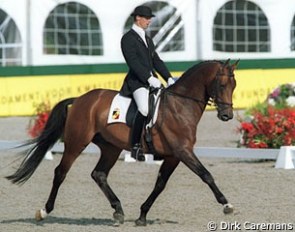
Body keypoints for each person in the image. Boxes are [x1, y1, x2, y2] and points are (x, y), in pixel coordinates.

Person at [120, 5, 175, 161]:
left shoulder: (147, 39)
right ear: (138, 18)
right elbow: (133, 62)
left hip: (153, 82)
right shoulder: (128, 38)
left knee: (163, 108)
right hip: (137, 83)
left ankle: (157, 145)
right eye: (147, 18)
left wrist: (168, 77)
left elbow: (156, 60)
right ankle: (135, 146)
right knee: (144, 109)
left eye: (150, 18)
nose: (149, 21)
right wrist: (148, 78)